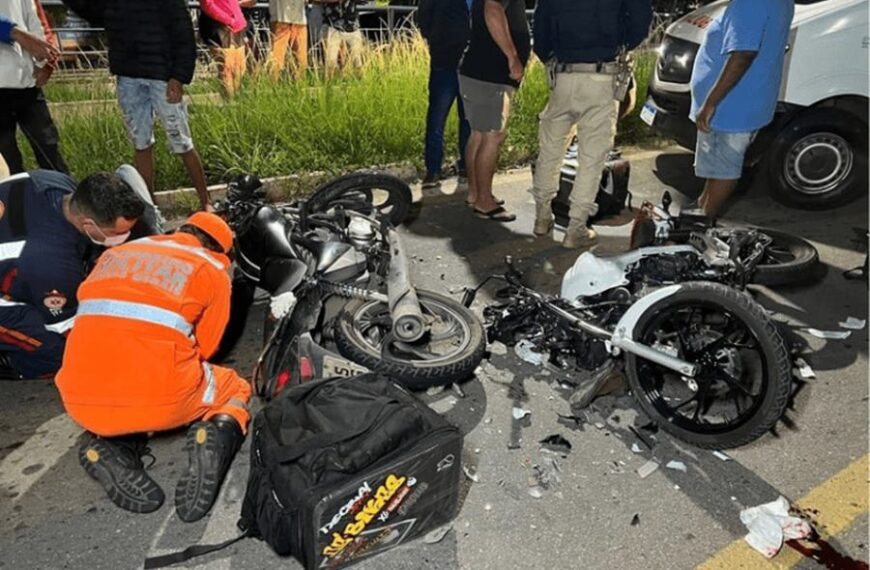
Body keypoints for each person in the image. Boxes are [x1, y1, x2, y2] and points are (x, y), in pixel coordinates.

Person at [56, 213, 250, 522]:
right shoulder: (211, 269)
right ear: (221, 251)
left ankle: (115, 445)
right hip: (161, 399)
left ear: (181, 230)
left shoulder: (114, 255)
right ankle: (218, 437)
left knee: (124, 389)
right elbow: (206, 348)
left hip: (79, 399)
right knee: (233, 386)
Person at [63, 0, 213, 212]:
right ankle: (150, 206)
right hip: (128, 75)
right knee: (141, 142)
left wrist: (179, 77)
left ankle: (205, 200)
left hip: (163, 76)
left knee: (182, 140)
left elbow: (184, 35)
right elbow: (93, 11)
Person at [0, 166, 145, 379]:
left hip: (22, 263)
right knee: (68, 356)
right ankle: (11, 361)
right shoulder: (50, 262)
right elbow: (69, 329)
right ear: (88, 224)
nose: (123, 239)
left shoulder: (56, 183)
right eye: (116, 234)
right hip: (16, 287)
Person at [530, 0, 652, 249]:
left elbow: (540, 30)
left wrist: (553, 56)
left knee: (550, 151)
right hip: (601, 76)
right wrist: (619, 45)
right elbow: (641, 20)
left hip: (563, 74)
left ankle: (542, 218)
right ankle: (575, 229)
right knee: (591, 158)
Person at [690, 0, 794, 217]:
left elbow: (743, 55)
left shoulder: (750, 3)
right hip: (748, 101)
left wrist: (711, 102)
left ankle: (703, 222)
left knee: (724, 171)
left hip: (729, 107)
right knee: (718, 169)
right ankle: (701, 210)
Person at [458, 0, 530, 222]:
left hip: (477, 71)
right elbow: (492, 9)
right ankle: (484, 201)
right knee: (492, 136)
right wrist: (513, 57)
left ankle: (475, 193)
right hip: (491, 74)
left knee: (478, 134)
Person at [0, 0, 67, 175]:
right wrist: (14, 32)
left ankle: (63, 199)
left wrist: (47, 62)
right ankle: (14, 201)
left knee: (49, 149)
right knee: (7, 162)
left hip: (28, 83)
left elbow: (37, 22)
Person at [418, 0, 471, 191]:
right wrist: (437, 41)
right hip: (445, 60)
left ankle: (465, 165)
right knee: (437, 119)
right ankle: (433, 170)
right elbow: (424, 18)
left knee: (467, 119)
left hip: (470, 65)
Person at [199, 0, 249, 97]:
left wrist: (239, 19)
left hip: (236, 23)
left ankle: (235, 98)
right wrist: (229, 20)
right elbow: (207, 4)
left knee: (239, 67)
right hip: (216, 22)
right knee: (227, 67)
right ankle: (229, 102)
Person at [316, 0, 365, 78]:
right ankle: (329, 86)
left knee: (357, 62)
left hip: (352, 26)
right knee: (330, 64)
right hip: (333, 26)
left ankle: (361, 85)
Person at [268, 0, 309, 79]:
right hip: (280, 19)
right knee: (276, 62)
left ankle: (299, 87)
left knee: (301, 61)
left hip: (300, 20)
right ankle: (272, 88)